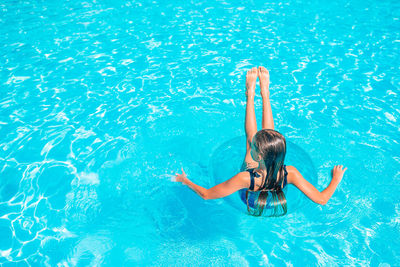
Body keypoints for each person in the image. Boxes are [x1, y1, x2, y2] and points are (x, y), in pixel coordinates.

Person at [174, 66, 347, 217]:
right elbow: (322, 199)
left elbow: (206, 195)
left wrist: (185, 180)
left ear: (258, 156)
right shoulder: (291, 173)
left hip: (249, 198)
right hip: (274, 193)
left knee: (250, 139)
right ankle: (265, 94)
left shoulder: (244, 178)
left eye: (255, 149)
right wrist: (336, 179)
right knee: (266, 136)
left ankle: (250, 95)